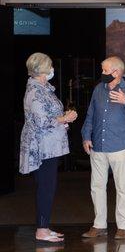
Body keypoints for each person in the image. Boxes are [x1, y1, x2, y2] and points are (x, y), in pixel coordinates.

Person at [81, 56, 125, 240]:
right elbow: (90, 114)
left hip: (119, 147)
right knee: (97, 187)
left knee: (122, 187)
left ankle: (123, 227)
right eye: (102, 70)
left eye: (105, 70)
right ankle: (99, 225)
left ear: (117, 72)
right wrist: (86, 136)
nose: (102, 74)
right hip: (98, 146)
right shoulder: (98, 89)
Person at [19, 52, 78, 243]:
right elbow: (41, 121)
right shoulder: (35, 91)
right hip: (43, 148)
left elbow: (50, 116)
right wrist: (65, 118)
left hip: (51, 146)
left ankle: (44, 227)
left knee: (48, 187)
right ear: (44, 69)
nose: (53, 68)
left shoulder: (44, 88)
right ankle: (42, 230)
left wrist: (63, 119)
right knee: (46, 187)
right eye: (50, 65)